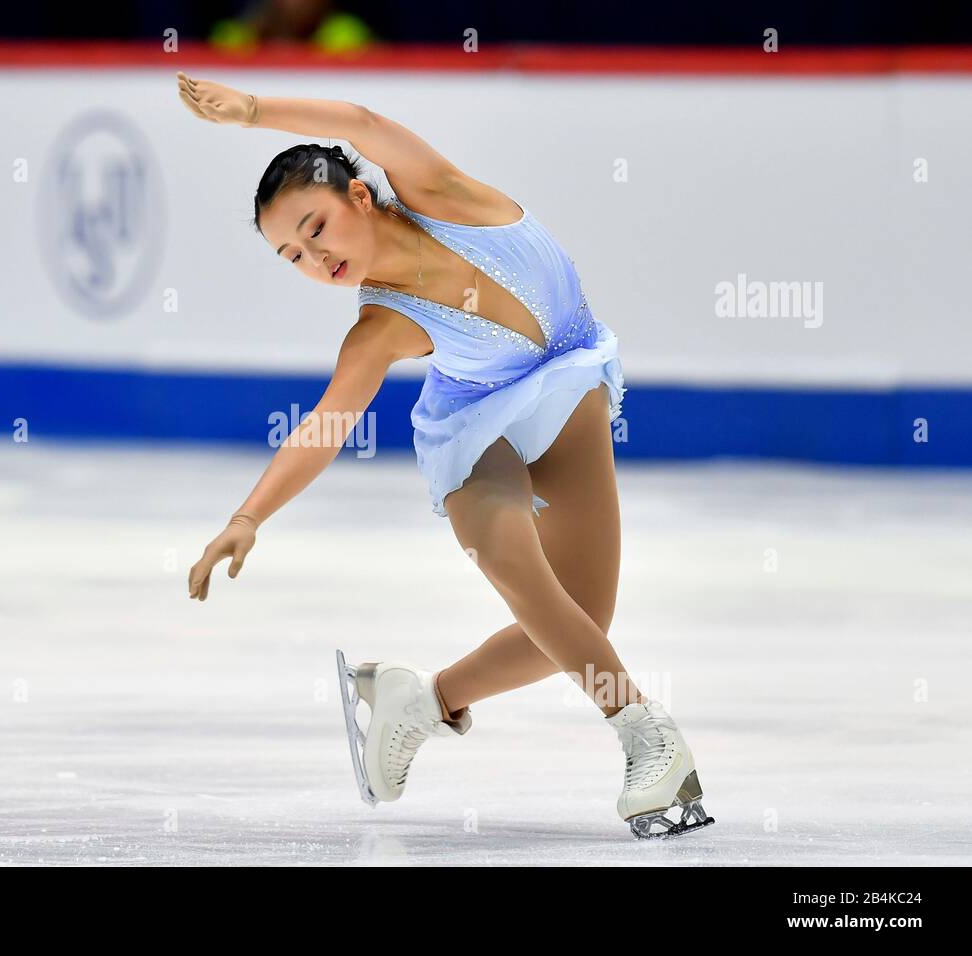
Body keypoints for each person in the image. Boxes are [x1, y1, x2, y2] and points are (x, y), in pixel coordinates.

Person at [177, 72, 713, 838]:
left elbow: (361, 118)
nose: (311, 257)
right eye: (291, 254)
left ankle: (419, 700)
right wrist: (247, 515)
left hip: (566, 392)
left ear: (358, 195)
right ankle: (646, 736)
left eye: (315, 228)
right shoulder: (379, 327)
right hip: (474, 437)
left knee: (578, 621)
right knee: (513, 557)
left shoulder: (440, 195)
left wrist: (257, 112)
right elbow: (327, 424)